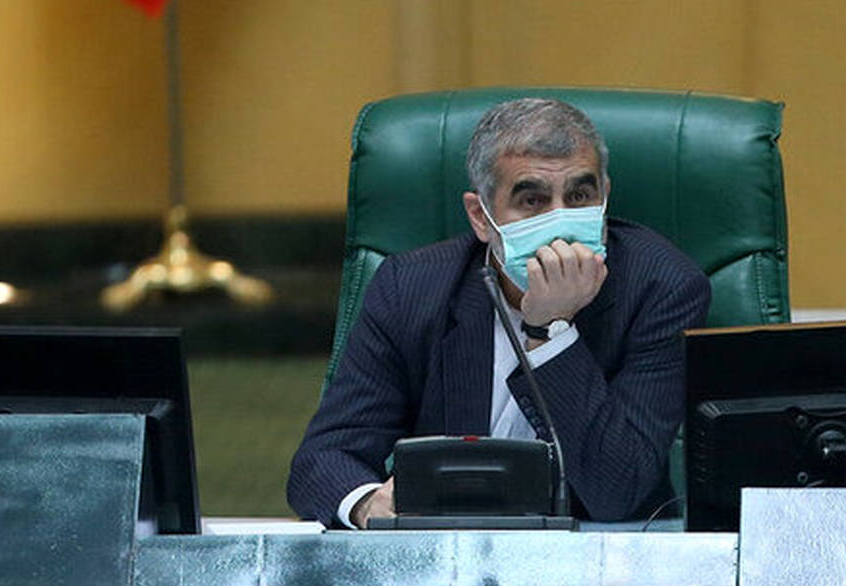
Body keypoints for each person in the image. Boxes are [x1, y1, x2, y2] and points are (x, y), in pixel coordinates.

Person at [287, 97, 711, 527]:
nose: (561, 223)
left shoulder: (663, 289)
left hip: (597, 555)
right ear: (480, 217)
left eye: (580, 196)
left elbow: (618, 492)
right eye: (532, 201)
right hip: (450, 549)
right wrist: (367, 504)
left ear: (605, 197)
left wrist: (550, 330)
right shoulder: (410, 288)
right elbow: (323, 461)